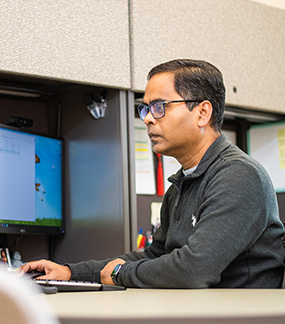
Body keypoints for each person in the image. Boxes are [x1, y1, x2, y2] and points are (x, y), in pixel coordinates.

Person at [20, 59, 285, 288]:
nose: (147, 118)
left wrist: (121, 274)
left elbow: (195, 269)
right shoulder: (182, 184)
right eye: (145, 108)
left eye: (160, 107)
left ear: (202, 113)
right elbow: (155, 255)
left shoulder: (239, 176)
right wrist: (69, 272)